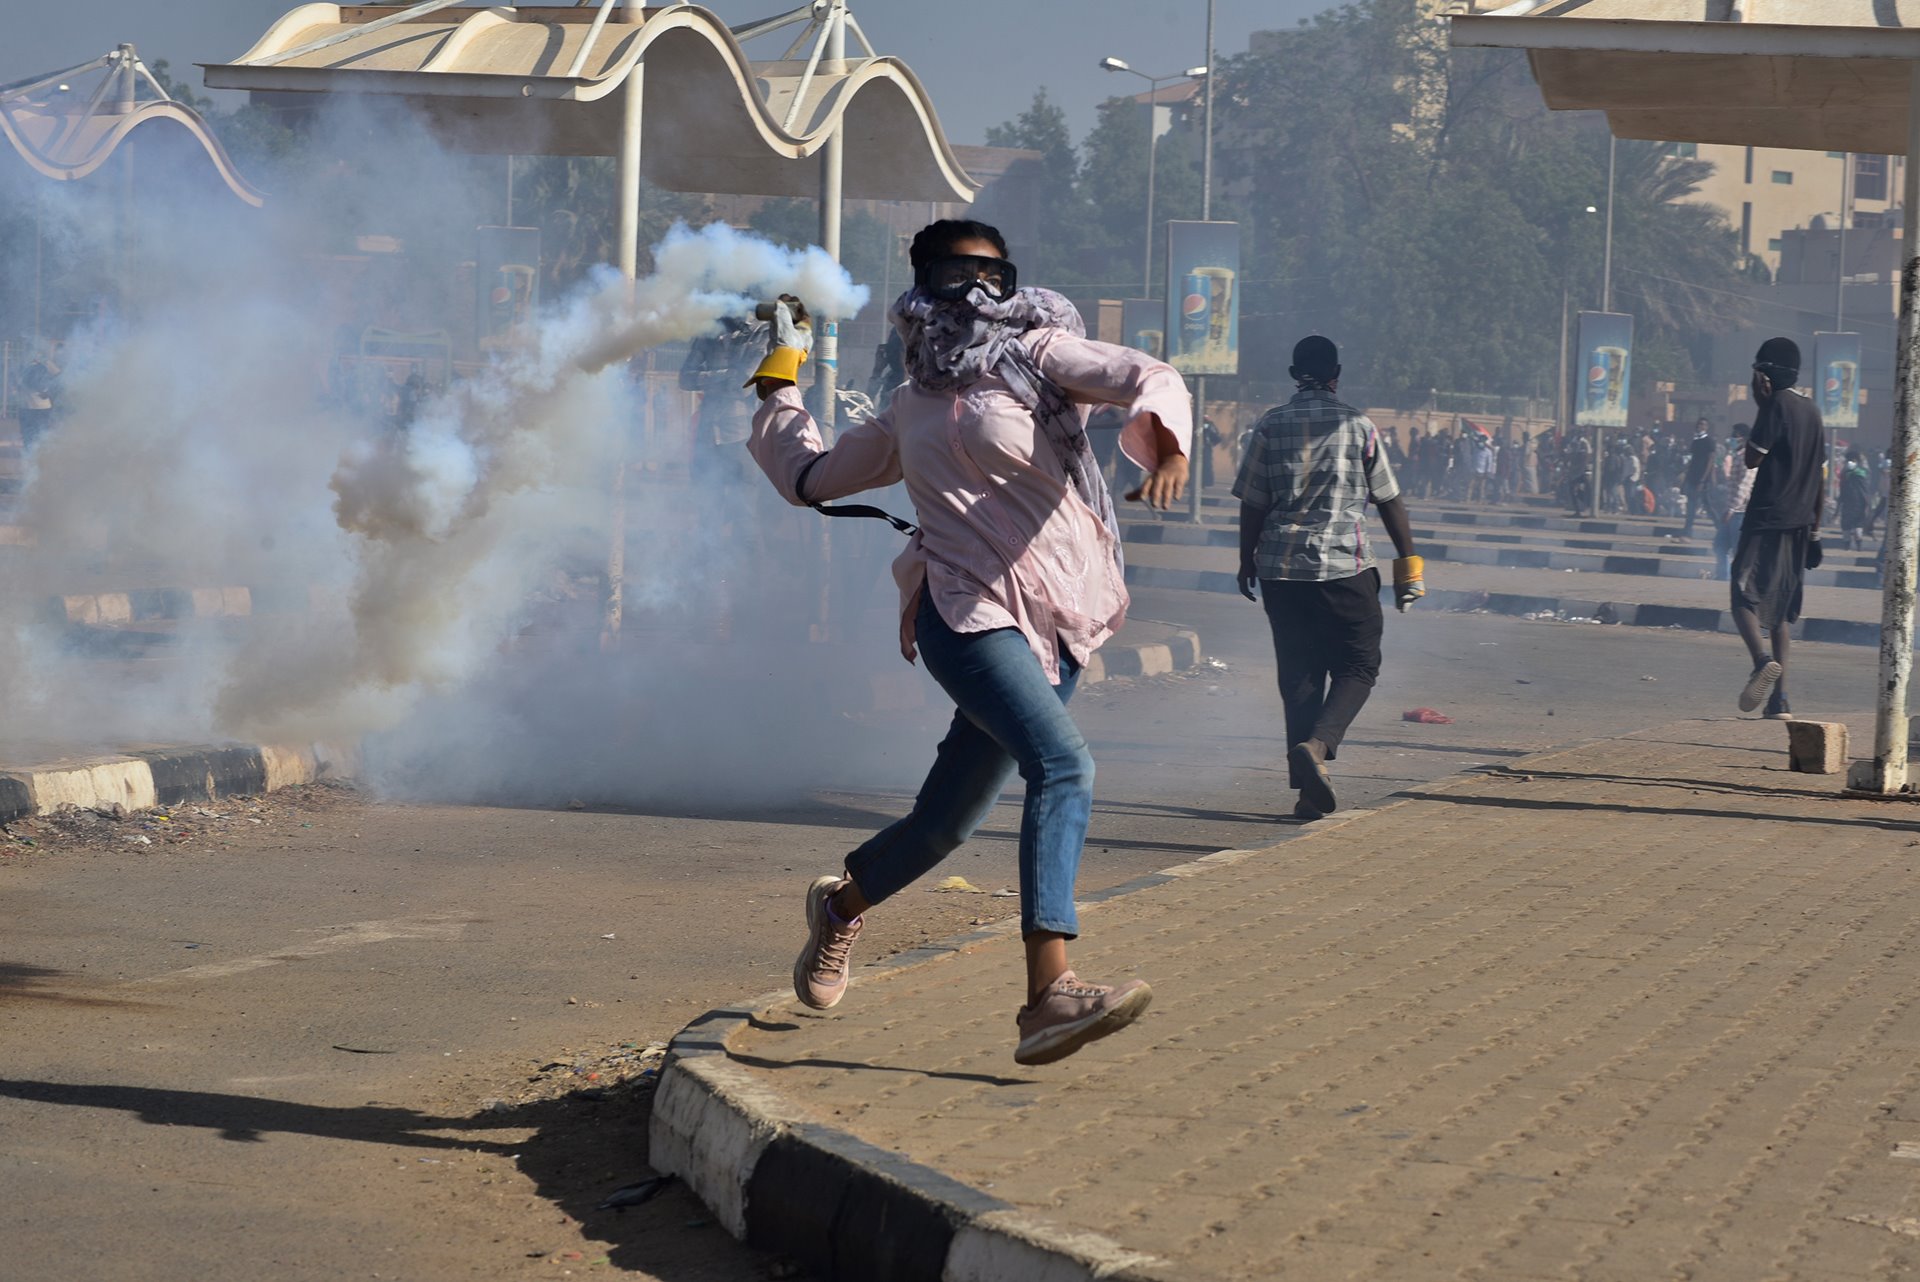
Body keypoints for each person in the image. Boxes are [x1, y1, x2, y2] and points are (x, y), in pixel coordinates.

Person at [746, 219, 1191, 1065]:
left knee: (947, 824)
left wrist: (1163, 440)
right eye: (958, 271)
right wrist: (782, 372)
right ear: (923, 282)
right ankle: (1048, 995)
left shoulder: (1042, 357)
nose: (978, 291)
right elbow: (807, 477)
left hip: (1054, 622)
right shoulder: (910, 404)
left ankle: (841, 907)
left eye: (995, 273)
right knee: (1063, 766)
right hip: (963, 612)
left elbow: (1145, 374)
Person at [1234, 335, 1423, 823]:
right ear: (1336, 372)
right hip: (1346, 567)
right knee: (1359, 666)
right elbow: (1389, 499)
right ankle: (1317, 749)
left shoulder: (1270, 425)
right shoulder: (1358, 425)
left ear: (1293, 373)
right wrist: (1409, 568)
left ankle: (1306, 794)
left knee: (1299, 679)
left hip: (1280, 570)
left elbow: (1253, 502)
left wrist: (1245, 561)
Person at [1730, 337, 1825, 721]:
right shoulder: (1813, 411)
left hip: (1767, 517)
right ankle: (1780, 701)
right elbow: (1821, 480)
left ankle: (1760, 661)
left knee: (1742, 594)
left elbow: (1752, 459)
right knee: (1782, 611)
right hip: (1801, 524)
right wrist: (1817, 533)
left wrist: (1761, 406)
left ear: (1765, 374)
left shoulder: (1777, 406)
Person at [1681, 417, 1716, 536]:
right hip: (1692, 477)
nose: (1700, 426)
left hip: (1702, 480)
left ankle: (1719, 527)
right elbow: (1692, 460)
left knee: (1708, 505)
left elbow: (1711, 461)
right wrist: (1686, 475)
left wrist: (1703, 480)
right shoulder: (1695, 441)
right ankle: (1687, 531)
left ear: (1707, 427)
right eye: (1699, 424)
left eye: (1703, 424)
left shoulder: (1709, 441)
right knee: (1690, 505)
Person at [1839, 446, 1872, 551]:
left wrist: (1867, 504)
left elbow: (1864, 490)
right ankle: (1850, 545)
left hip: (1855, 503)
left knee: (1854, 525)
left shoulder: (1857, 473)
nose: (1849, 462)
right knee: (1850, 524)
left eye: (1852, 460)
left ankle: (1853, 545)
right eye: (1849, 460)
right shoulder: (1848, 473)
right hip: (1852, 502)